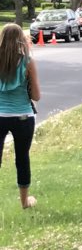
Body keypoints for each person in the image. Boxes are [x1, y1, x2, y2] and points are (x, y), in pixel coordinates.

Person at [0, 23, 40, 209]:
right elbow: (36, 97)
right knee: (22, 157)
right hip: (23, 116)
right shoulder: (27, 61)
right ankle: (24, 202)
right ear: (21, 39)